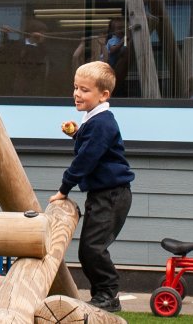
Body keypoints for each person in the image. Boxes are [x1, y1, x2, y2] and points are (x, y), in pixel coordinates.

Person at [49, 61, 135, 312]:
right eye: (75, 87)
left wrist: (64, 189)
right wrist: (77, 133)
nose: (77, 94)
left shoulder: (103, 123)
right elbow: (92, 144)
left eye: (84, 90)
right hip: (103, 194)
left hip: (112, 195)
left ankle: (109, 293)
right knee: (89, 249)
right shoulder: (94, 119)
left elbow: (85, 160)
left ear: (103, 95)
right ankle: (103, 297)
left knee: (92, 249)